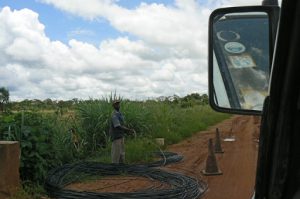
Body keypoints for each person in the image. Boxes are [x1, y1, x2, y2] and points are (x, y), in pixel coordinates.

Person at [109, 100, 135, 164]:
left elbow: (122, 125)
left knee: (121, 152)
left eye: (118, 104)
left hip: (121, 136)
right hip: (116, 137)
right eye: (116, 104)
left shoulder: (119, 113)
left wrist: (127, 131)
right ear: (113, 106)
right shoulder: (114, 115)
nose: (118, 105)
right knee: (116, 153)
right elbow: (118, 126)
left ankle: (121, 166)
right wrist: (128, 130)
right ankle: (115, 167)